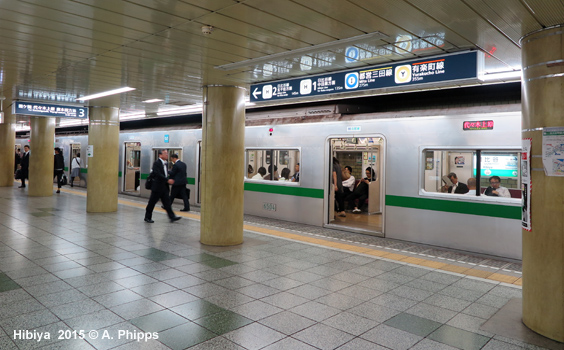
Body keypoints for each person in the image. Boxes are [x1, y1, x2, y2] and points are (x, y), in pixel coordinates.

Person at [144, 149, 181, 223]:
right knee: (152, 202)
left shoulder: (166, 163)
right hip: (157, 187)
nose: (167, 155)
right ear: (160, 155)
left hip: (164, 187)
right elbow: (157, 174)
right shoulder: (157, 163)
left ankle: (172, 216)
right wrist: (167, 180)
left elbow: (165, 173)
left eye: (167, 153)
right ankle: (147, 217)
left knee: (167, 202)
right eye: (165, 153)